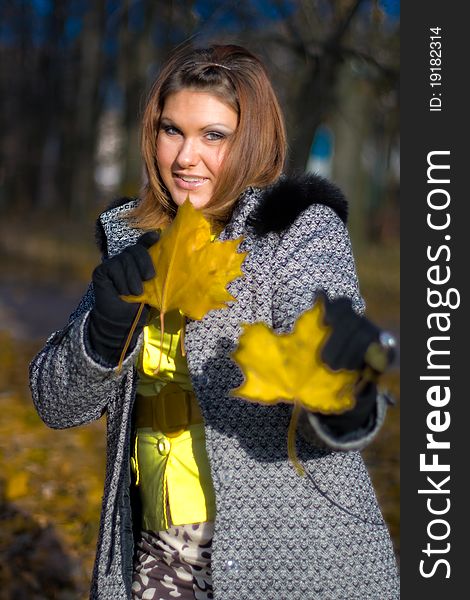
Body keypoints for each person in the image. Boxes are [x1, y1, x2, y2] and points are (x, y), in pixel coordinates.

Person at [29, 44, 400, 599]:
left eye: (213, 136)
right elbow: (55, 405)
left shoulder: (296, 233)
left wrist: (343, 391)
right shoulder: (134, 243)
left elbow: (334, 406)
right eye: (171, 130)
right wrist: (102, 334)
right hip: (154, 564)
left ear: (250, 141)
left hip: (286, 566)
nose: (185, 157)